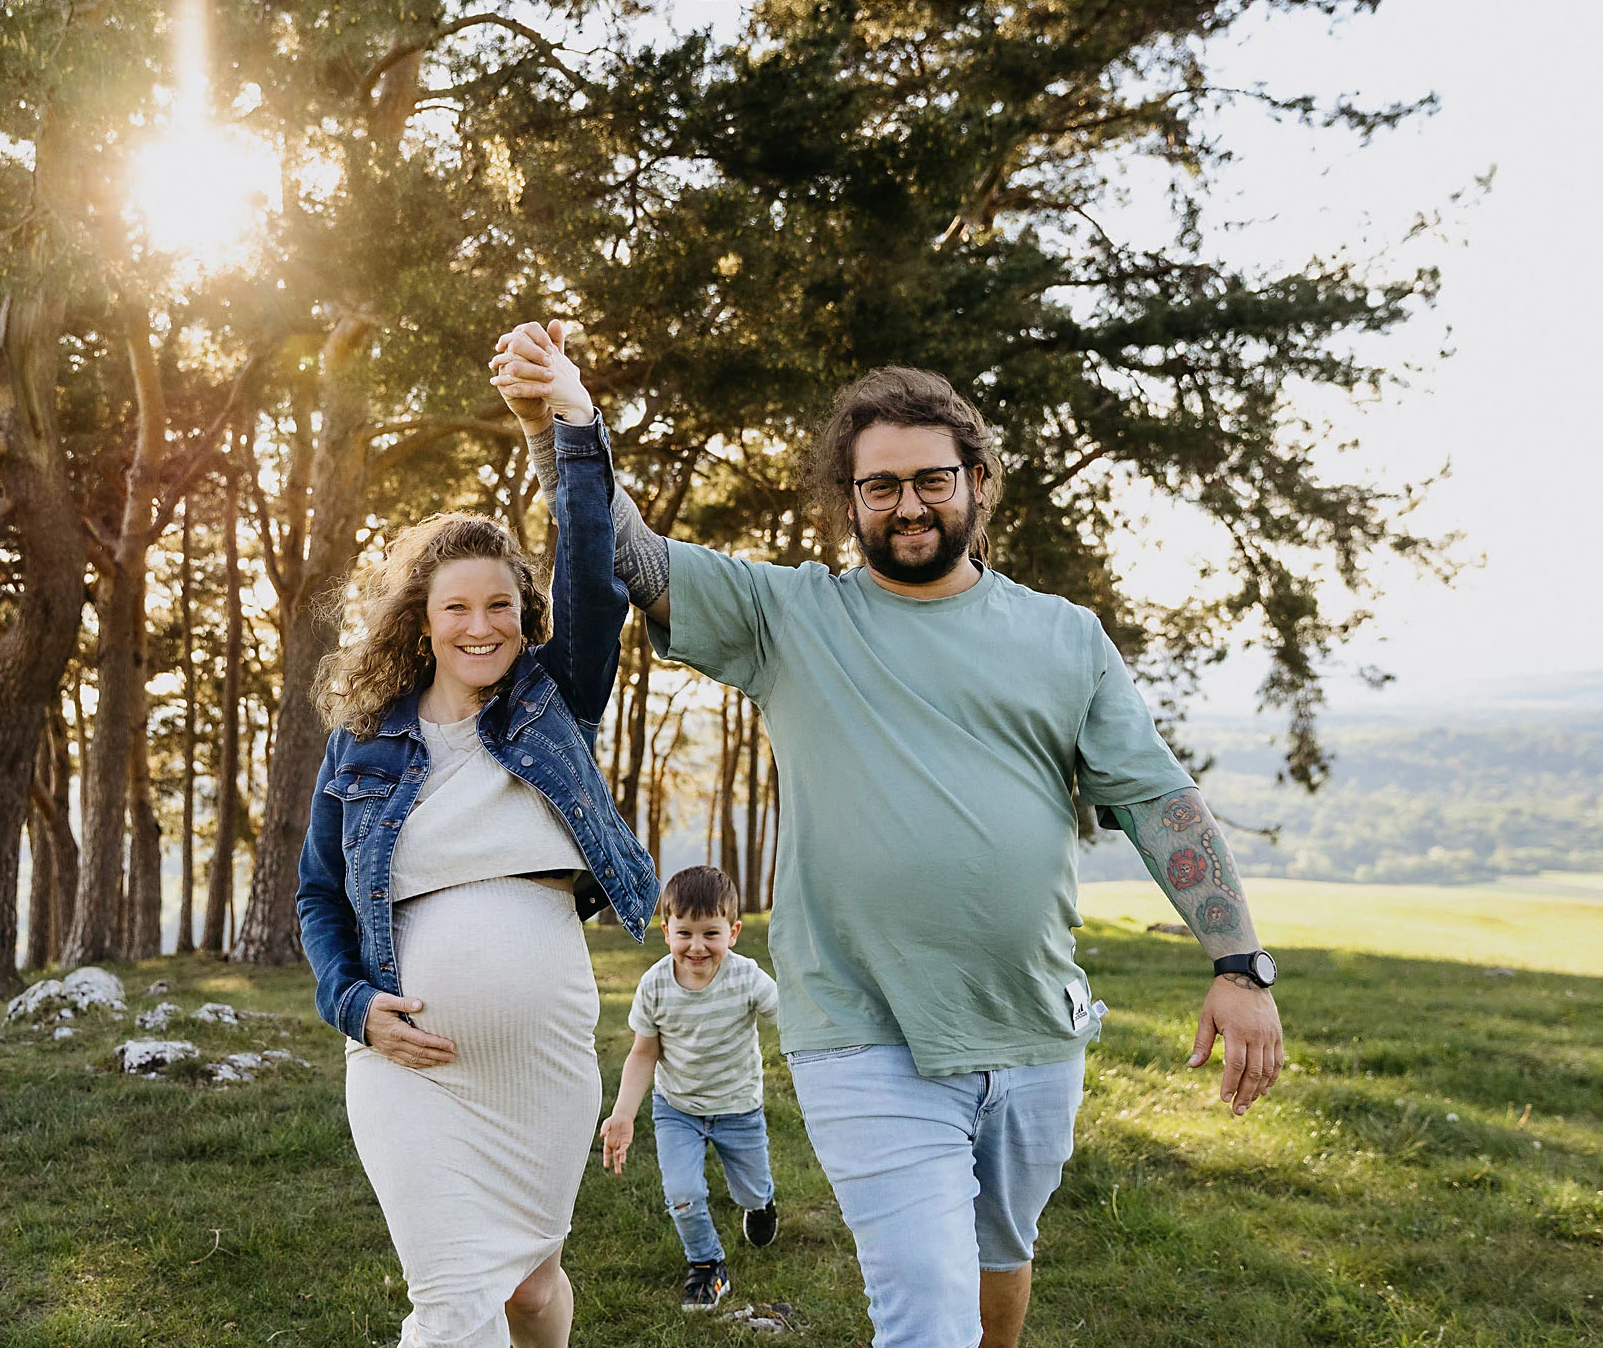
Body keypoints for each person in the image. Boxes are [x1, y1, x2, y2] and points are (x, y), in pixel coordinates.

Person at [492, 323, 1285, 1348]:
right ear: (850, 499)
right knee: (925, 1313)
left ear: (977, 483)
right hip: (863, 1031)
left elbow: (1158, 801)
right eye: (879, 486)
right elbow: (625, 551)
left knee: (1000, 1250)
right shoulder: (790, 616)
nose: (907, 504)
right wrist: (562, 424)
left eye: (931, 479)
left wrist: (1239, 964)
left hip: (1032, 1028)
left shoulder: (1063, 635)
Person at [295, 397, 660, 1348]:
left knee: (531, 1290)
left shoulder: (553, 702)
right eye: (456, 606)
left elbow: (594, 572)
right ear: (422, 621)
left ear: (525, 615)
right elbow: (320, 894)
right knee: (455, 1303)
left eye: (500, 604)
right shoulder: (363, 742)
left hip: (541, 1066)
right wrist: (351, 1003)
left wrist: (570, 424)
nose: (479, 625)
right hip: (408, 1063)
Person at [601, 864, 782, 1313]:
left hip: (739, 1107)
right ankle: (706, 1265)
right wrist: (623, 1113)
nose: (697, 947)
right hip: (677, 1107)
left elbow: (791, 1017)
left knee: (751, 1190)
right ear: (666, 931)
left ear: (733, 933)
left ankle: (760, 1204)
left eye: (710, 934)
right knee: (683, 1192)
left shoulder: (746, 977)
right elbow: (644, 1053)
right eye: (684, 933)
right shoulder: (655, 986)